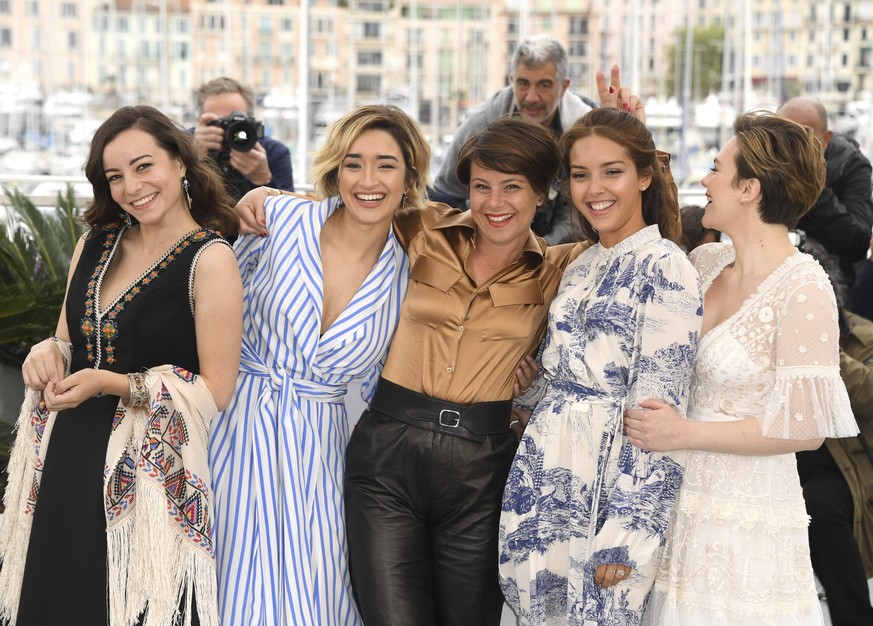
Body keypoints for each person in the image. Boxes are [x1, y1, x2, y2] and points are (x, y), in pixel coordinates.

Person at [0, 105, 243, 626]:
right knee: (54, 599)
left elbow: (217, 389)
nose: (131, 187)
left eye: (143, 166)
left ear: (181, 162)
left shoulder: (210, 258)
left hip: (144, 480)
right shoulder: (95, 243)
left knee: (125, 607)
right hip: (64, 455)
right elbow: (67, 342)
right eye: (115, 176)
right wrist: (45, 352)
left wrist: (111, 384)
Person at [625, 110, 859, 625]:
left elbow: (806, 430)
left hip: (747, 514)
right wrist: (633, 134)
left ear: (750, 188)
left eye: (715, 169)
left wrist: (684, 432)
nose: (704, 181)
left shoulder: (804, 288)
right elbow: (645, 242)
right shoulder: (706, 265)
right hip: (676, 500)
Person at [208, 105, 430, 626]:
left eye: (386, 165)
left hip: (322, 452)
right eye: (354, 163)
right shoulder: (277, 219)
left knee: (318, 590)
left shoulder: (412, 273)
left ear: (410, 176)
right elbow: (204, 302)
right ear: (335, 170)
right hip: (232, 426)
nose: (368, 180)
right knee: (229, 580)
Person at [497, 107, 702, 626]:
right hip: (546, 467)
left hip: (610, 484)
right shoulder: (583, 262)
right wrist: (528, 392)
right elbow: (567, 371)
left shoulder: (666, 265)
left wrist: (632, 527)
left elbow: (662, 407)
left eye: (612, 171)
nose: (594, 189)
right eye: (581, 175)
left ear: (645, 176)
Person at [431, 35, 596, 244]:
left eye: (544, 85)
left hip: (560, 254)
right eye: (523, 83)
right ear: (511, 81)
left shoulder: (585, 133)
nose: (531, 97)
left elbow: (582, 210)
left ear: (564, 87)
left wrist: (541, 256)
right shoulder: (479, 126)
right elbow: (445, 195)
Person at [795, 237, 873, 626]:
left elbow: (868, 394)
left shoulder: (863, 337)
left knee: (819, 505)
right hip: (779, 456)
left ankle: (854, 618)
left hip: (846, 467)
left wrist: (822, 343)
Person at [777, 96, 873, 288]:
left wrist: (814, 190)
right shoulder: (765, 158)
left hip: (832, 280)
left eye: (800, 137)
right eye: (779, 135)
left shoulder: (851, 164)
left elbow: (857, 244)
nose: (787, 146)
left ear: (825, 139)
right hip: (774, 269)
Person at [193, 76, 294, 200]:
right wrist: (193, 159)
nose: (228, 130)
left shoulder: (274, 153)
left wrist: (264, 180)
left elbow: (287, 213)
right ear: (200, 122)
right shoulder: (183, 145)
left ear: (251, 121)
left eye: (235, 122)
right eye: (220, 122)